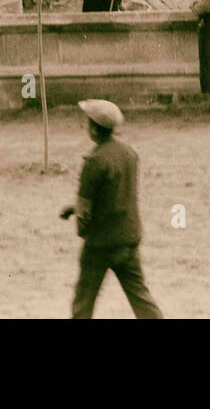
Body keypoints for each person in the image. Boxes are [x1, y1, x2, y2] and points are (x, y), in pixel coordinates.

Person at [62, 99, 163, 319]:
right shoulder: (129, 153)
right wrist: (73, 207)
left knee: (83, 300)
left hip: (100, 244)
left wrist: (81, 226)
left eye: (88, 124)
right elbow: (117, 192)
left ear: (95, 130)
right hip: (128, 238)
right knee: (140, 296)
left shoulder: (94, 161)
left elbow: (85, 213)